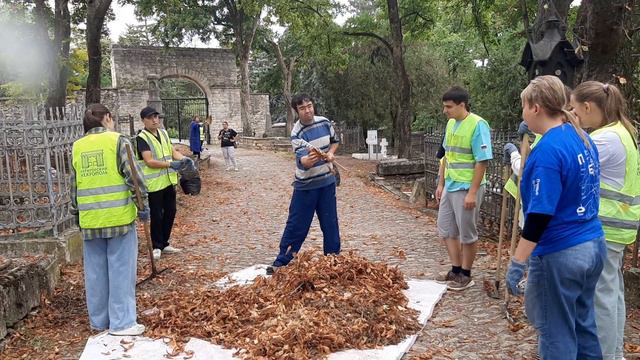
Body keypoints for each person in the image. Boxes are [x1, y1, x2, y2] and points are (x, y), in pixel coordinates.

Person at [506, 75, 606, 359]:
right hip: (592, 244)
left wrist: (517, 262)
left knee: (555, 332)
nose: (523, 112)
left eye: (524, 106)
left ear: (535, 107)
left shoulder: (548, 152)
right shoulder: (581, 137)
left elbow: (539, 216)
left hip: (561, 252)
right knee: (583, 326)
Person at [571, 81, 639, 360]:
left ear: (587, 107)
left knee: (602, 297)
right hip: (618, 224)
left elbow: (571, 162)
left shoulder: (605, 139)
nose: (572, 114)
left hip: (605, 226)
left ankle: (606, 355)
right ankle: (615, 353)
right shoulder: (623, 132)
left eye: (574, 110)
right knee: (612, 291)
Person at [70, 104, 148, 336]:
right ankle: (122, 323)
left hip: (90, 218)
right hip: (118, 218)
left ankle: (99, 321)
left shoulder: (77, 147)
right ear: (106, 118)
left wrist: (77, 213)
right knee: (121, 269)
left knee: (95, 272)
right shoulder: (118, 141)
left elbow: (74, 185)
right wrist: (142, 205)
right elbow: (133, 177)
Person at [266, 94, 340, 274]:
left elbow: (334, 142)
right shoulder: (297, 133)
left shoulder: (324, 123)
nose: (307, 110)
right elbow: (303, 162)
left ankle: (333, 260)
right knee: (297, 225)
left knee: (330, 223)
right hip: (306, 187)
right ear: (296, 111)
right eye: (302, 108)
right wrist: (311, 159)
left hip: (327, 184)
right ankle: (282, 261)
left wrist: (330, 153)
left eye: (309, 106)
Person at [435, 86, 493, 291]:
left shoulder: (478, 125)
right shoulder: (451, 124)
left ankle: (466, 274)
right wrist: (441, 183)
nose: (445, 111)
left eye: (449, 107)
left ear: (462, 105)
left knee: (467, 233)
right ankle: (455, 269)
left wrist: (472, 192)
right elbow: (446, 156)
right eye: (444, 107)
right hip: (450, 185)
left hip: (467, 187)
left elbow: (482, 161)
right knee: (447, 229)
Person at [136, 106, 192, 260]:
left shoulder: (164, 133)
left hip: (168, 181)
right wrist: (170, 164)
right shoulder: (142, 138)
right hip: (154, 184)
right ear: (144, 121)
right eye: (150, 118)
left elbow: (172, 151)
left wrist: (183, 159)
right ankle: (156, 245)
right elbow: (148, 161)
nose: (155, 120)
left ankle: (165, 243)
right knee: (156, 215)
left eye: (156, 117)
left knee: (171, 212)